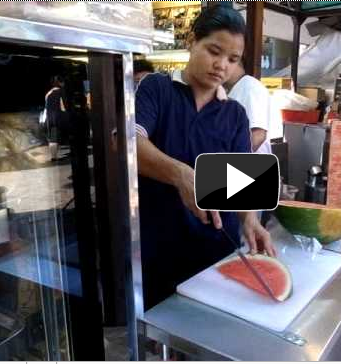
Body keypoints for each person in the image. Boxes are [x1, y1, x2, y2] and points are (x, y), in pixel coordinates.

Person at [135, 5, 276, 310]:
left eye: (232, 59)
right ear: (192, 41)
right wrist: (180, 174)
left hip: (214, 249)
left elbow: (244, 185)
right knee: (161, 332)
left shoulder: (235, 114)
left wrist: (250, 220)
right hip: (158, 244)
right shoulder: (157, 89)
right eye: (214, 51)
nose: (221, 65)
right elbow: (132, 144)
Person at [225, 61, 272, 154]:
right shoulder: (232, 88)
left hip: (251, 164)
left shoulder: (250, 87)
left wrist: (230, 161)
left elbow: (258, 135)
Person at [45, 75, 67, 161]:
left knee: (53, 137)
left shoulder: (48, 93)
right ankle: (54, 157)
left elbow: (46, 107)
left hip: (50, 117)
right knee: (56, 138)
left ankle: (53, 156)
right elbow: (64, 107)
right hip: (59, 117)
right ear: (59, 83)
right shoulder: (62, 92)